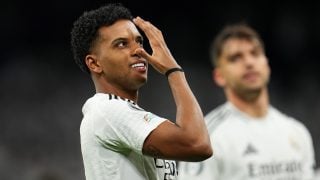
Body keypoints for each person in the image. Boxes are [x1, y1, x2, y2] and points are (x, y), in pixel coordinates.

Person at [70, 3, 212, 180]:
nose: (138, 50)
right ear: (95, 64)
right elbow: (197, 143)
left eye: (139, 41)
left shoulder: (124, 113)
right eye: (121, 44)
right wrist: (174, 71)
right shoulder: (106, 110)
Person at [178, 23, 316, 180]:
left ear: (267, 64)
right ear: (219, 76)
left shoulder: (297, 132)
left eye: (255, 53)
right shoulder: (207, 139)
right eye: (235, 58)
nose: (249, 62)